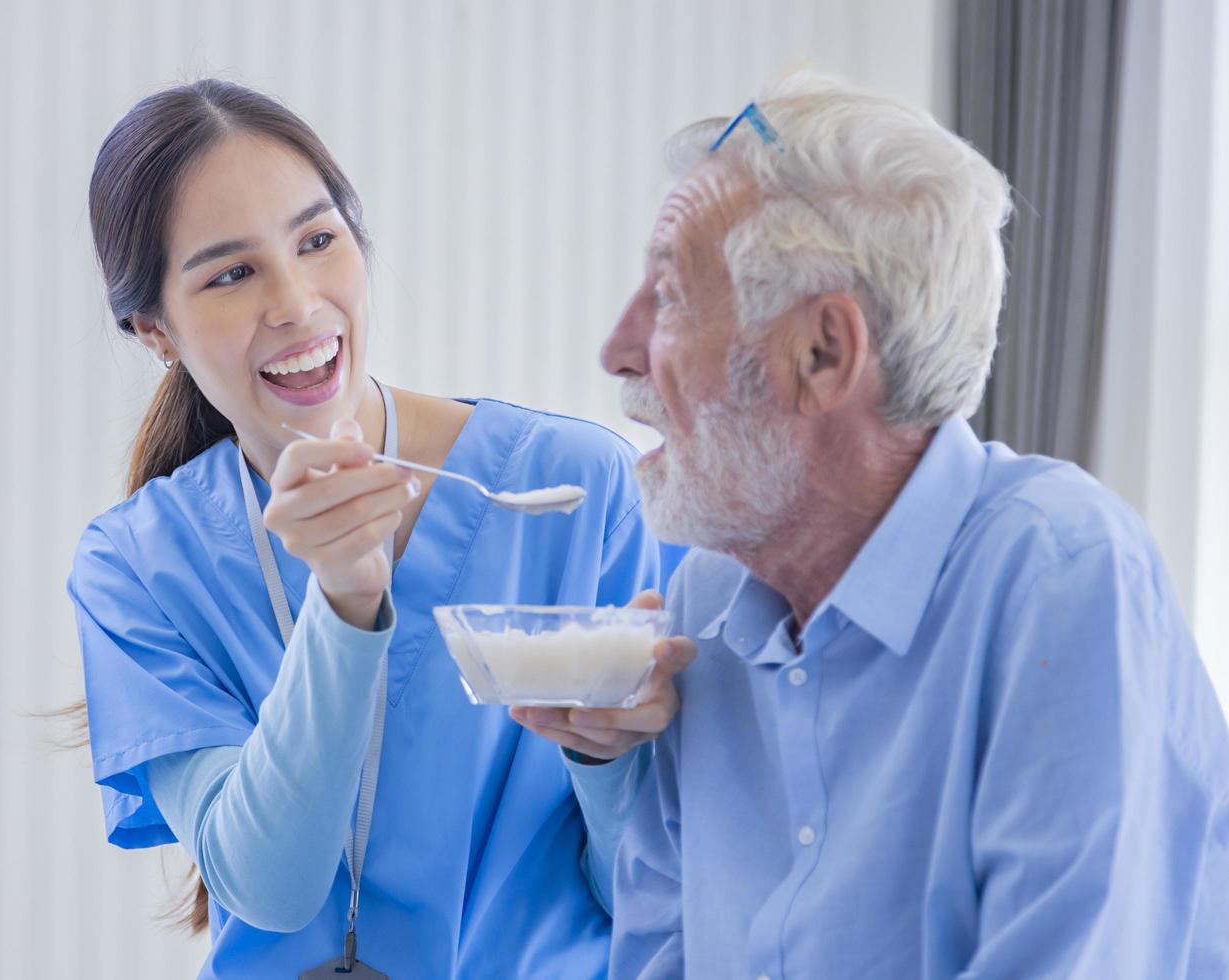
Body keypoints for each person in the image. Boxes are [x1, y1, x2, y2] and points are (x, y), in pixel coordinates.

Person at [583, 73, 1229, 978]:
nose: (617, 349)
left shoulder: (1058, 573)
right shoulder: (709, 596)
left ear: (822, 351)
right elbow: (657, 948)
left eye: (670, 297)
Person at [67, 79, 692, 978]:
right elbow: (267, 888)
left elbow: (652, 894)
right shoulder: (136, 564)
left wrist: (607, 760)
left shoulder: (576, 486)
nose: (295, 303)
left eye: (318, 241)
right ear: (154, 329)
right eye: (231, 274)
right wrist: (345, 603)